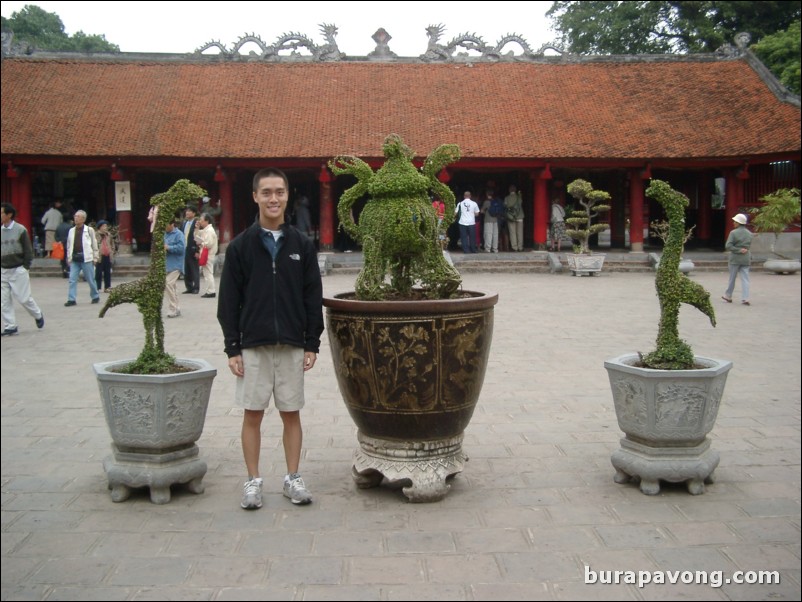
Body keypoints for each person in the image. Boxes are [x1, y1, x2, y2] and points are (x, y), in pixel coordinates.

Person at [217, 167, 324, 510]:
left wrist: (312, 342)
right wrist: (232, 346)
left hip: (292, 343)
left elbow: (312, 296)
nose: (273, 198)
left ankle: (293, 477)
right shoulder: (241, 247)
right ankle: (253, 480)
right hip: (254, 345)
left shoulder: (301, 245)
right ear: (255, 196)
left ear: (287, 195)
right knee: (253, 414)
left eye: (279, 191)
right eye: (266, 192)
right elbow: (229, 302)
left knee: (291, 413)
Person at [1, 203, 45, 336]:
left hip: (18, 268)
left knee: (24, 298)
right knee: (3, 301)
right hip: (3, 270)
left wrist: (25, 266)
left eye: (2, 213)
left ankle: (37, 314)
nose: (1, 215)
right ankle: (10, 326)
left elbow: (28, 250)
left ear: (9, 215)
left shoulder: (20, 230)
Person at [64, 210, 100, 306]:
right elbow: (69, 245)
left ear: (83, 219)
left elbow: (94, 244)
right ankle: (71, 299)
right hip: (75, 258)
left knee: (90, 279)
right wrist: (69, 257)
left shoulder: (89, 230)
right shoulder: (71, 231)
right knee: (72, 279)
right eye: (75, 216)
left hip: (87, 258)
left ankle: (95, 296)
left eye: (78, 216)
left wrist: (95, 257)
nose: (76, 218)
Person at [722, 213, 754, 306]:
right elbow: (748, 246)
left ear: (738, 223)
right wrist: (743, 250)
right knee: (745, 279)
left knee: (732, 278)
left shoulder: (733, 233)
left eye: (735, 221)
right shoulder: (749, 233)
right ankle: (745, 298)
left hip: (735, 258)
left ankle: (728, 295)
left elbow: (728, 246)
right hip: (746, 258)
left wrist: (738, 250)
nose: (733, 223)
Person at [164, 219, 185, 318]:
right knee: (173, 286)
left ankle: (173, 308)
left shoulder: (179, 234)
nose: (165, 227)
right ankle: (177, 308)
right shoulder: (164, 234)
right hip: (167, 264)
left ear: (172, 224)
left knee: (168, 283)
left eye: (166, 225)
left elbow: (181, 248)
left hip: (176, 264)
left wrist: (169, 248)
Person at [194, 212, 218, 298]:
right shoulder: (205, 230)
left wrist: (200, 243)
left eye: (201, 220)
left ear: (206, 221)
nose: (200, 221)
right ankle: (210, 290)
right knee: (207, 273)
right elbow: (196, 234)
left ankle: (211, 291)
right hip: (205, 253)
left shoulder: (210, 231)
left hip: (208, 254)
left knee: (208, 273)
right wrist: (197, 228)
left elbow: (208, 244)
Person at [182, 206, 200, 294]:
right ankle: (189, 287)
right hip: (185, 248)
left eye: (189, 211)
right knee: (186, 269)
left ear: (194, 213)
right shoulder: (184, 223)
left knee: (194, 268)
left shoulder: (197, 223)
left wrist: (197, 250)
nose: (187, 213)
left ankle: (196, 287)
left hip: (193, 249)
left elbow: (199, 237)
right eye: (186, 211)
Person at [94, 220, 115, 292]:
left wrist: (112, 251)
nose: (105, 228)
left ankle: (107, 287)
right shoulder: (95, 235)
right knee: (98, 273)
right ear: (100, 227)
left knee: (107, 272)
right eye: (103, 226)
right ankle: (98, 287)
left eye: (106, 226)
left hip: (107, 255)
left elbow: (112, 244)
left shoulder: (108, 235)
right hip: (99, 256)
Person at [504, 184, 525, 251]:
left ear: (509, 190)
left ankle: (514, 247)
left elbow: (505, 206)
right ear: (515, 190)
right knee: (520, 232)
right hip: (519, 216)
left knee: (512, 232)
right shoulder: (519, 197)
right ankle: (520, 247)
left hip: (511, 217)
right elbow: (520, 203)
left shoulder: (507, 198)